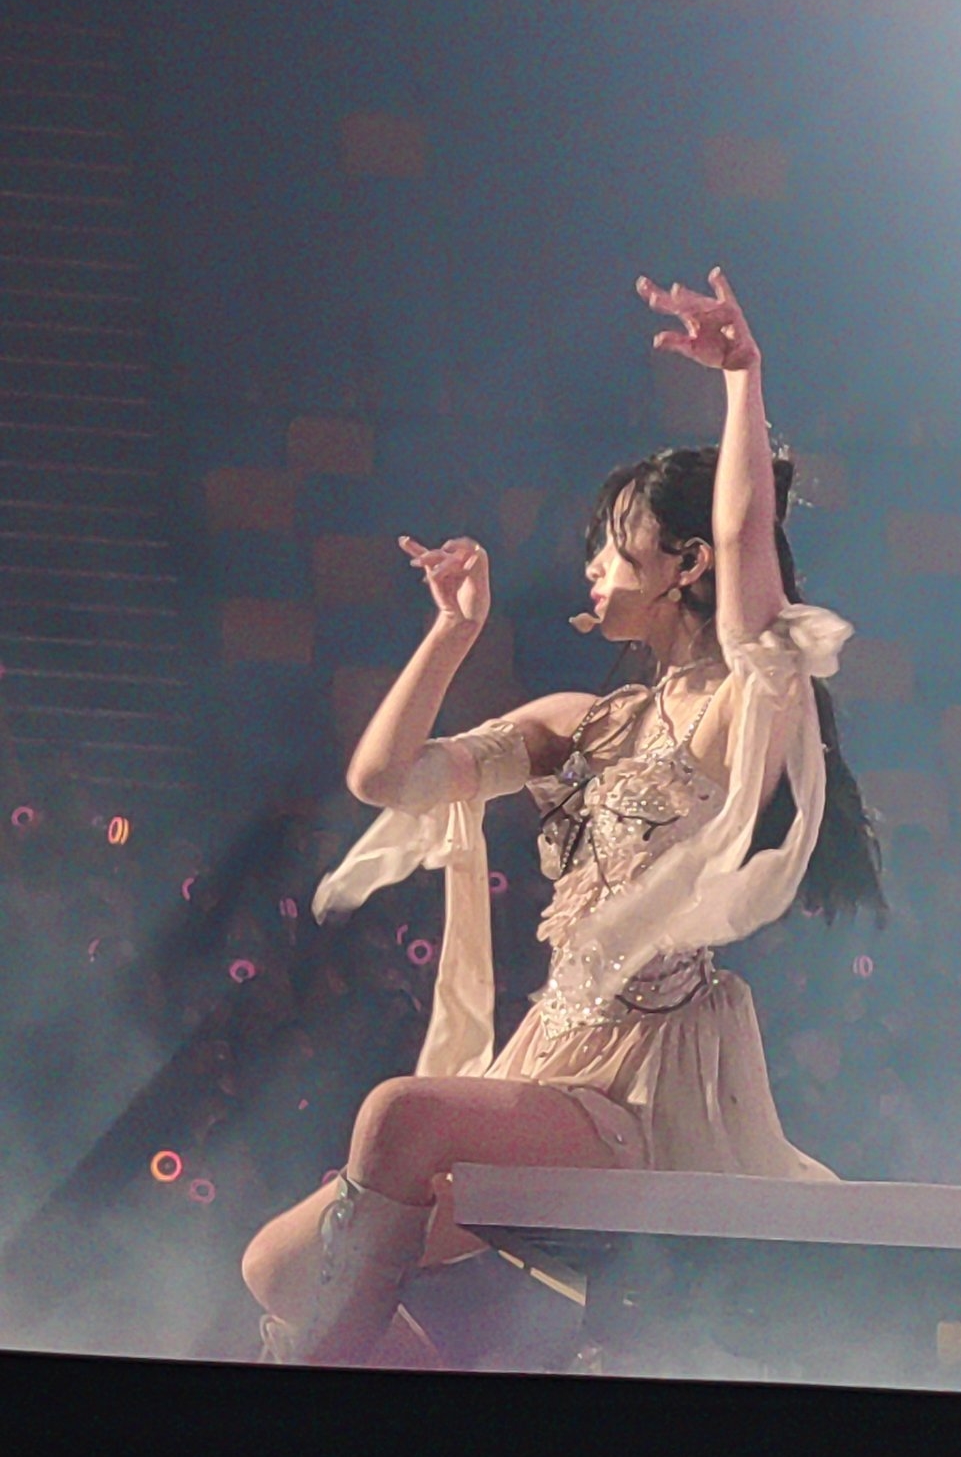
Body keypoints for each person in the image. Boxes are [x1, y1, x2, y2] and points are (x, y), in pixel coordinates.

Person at [241, 267, 886, 1366]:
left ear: (684, 565)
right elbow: (383, 780)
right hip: (545, 1067)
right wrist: (452, 633)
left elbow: (748, 559)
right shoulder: (576, 723)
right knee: (277, 1268)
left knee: (398, 1116)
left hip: (644, 1099)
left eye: (614, 545)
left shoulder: (741, 708)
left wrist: (742, 380)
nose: (590, 567)